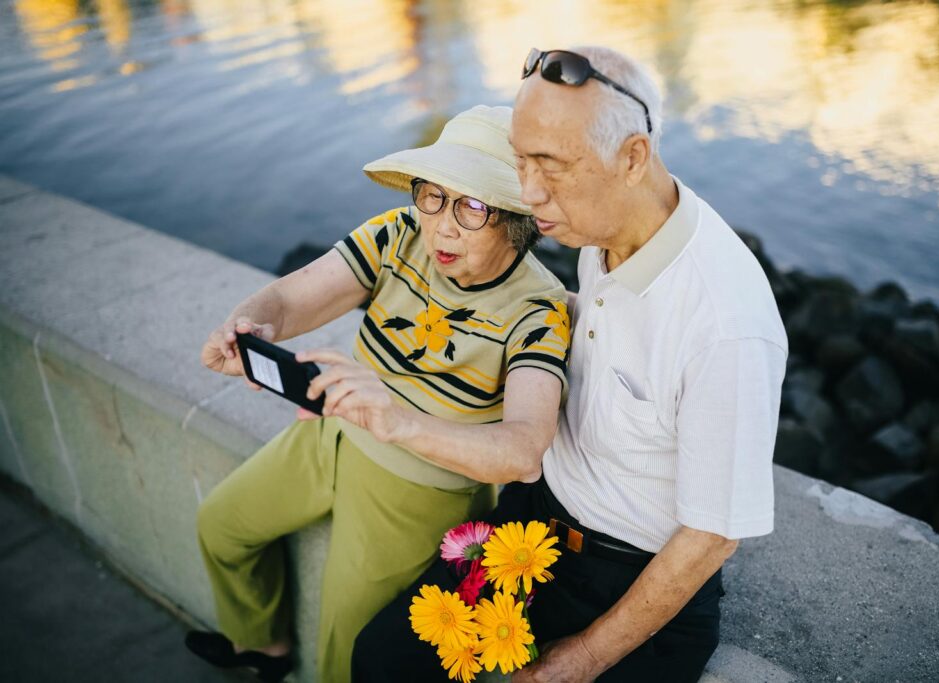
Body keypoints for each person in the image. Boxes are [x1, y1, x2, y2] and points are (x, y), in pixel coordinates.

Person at [353, 46, 787, 682]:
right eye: (520, 160)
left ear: (632, 157)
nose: (526, 194)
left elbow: (713, 536)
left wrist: (585, 656)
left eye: (550, 166)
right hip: (532, 525)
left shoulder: (726, 325)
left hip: (631, 575)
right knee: (383, 661)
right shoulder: (601, 226)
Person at [184, 105, 571, 683]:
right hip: (329, 432)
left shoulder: (540, 309)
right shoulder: (398, 234)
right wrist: (248, 325)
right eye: (432, 195)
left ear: (518, 218)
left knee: (345, 653)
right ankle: (261, 646)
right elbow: (290, 301)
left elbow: (522, 451)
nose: (440, 225)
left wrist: (399, 423)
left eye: (471, 206)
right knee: (221, 526)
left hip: (417, 487)